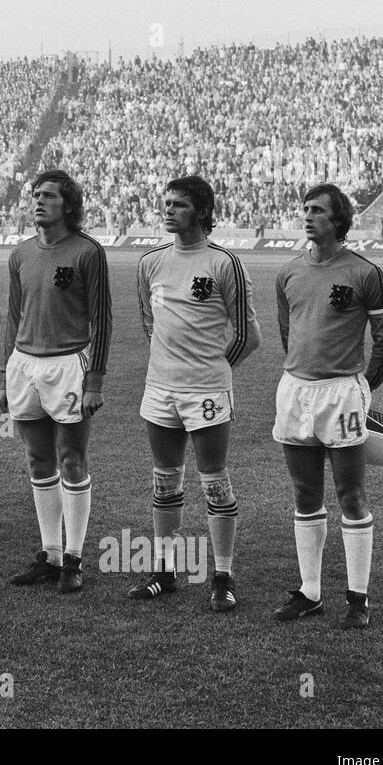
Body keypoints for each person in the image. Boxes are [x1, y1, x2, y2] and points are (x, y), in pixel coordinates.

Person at [132, 175, 261, 611]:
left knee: (214, 483)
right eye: (166, 203)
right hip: (159, 389)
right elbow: (150, 325)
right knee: (164, 481)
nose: (168, 210)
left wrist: (214, 368)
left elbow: (248, 334)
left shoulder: (224, 263)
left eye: (179, 204)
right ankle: (164, 572)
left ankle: (222, 576)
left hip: (206, 390)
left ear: (203, 212)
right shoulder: (150, 262)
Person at [271, 185, 383, 629]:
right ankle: (310, 592)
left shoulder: (365, 272)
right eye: (305, 208)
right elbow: (289, 333)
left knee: (350, 494)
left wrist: (361, 387)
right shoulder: (288, 272)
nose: (308, 216)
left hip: (342, 392)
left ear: (338, 219)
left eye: (318, 210)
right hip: (296, 391)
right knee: (305, 494)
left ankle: (358, 598)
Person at [0, 170, 111, 592]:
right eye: (35, 195)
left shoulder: (87, 252)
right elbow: (13, 318)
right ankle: (49, 553)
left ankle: (74, 559)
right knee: (37, 461)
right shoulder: (20, 254)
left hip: (69, 364)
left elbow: (101, 320)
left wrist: (94, 381)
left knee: (71, 459)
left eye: (48, 196)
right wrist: (3, 377)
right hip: (24, 364)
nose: (38, 201)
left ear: (69, 205)